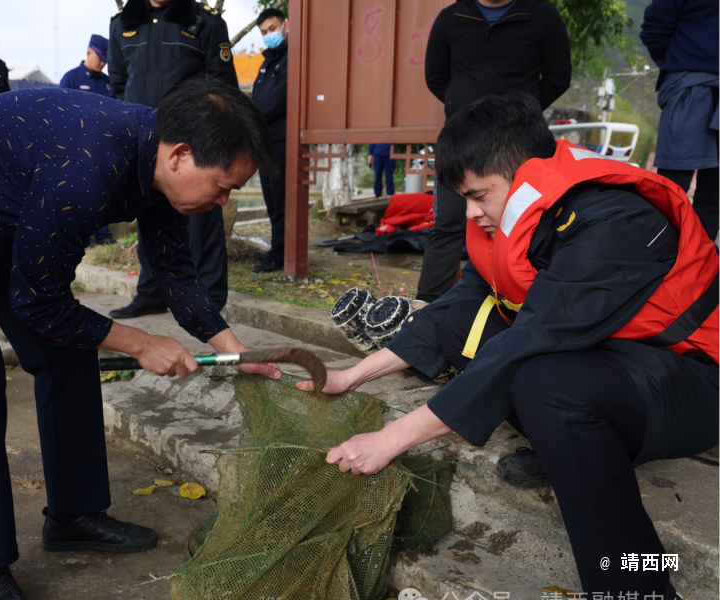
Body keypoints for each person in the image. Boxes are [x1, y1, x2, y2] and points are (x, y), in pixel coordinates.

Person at [0, 79, 280, 600]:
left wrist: (232, 348)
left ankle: (73, 515)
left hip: (4, 226)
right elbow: (38, 302)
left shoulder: (156, 169)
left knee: (68, 360)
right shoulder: (88, 168)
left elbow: (175, 272)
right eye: (222, 186)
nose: (222, 201)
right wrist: (137, 342)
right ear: (180, 155)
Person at [297, 94, 718, 599]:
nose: (471, 213)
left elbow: (529, 340)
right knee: (459, 322)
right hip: (621, 367)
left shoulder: (613, 221)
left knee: (546, 384)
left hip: (693, 379)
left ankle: (636, 584)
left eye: (479, 195)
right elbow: (461, 303)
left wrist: (388, 440)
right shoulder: (521, 217)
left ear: (525, 174)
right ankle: (573, 448)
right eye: (464, 199)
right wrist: (351, 376)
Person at [415, 0, 571, 304]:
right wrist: (470, 116)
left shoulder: (542, 14)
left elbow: (557, 77)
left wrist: (515, 114)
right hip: (462, 140)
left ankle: (526, 300)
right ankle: (427, 303)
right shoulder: (451, 17)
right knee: (449, 222)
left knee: (529, 220)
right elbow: (436, 77)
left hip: (518, 144)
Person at [107, 0, 239, 318]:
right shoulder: (122, 22)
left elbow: (223, 84)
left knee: (202, 213)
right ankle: (151, 293)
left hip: (194, 137)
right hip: (145, 136)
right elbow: (119, 83)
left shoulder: (204, 21)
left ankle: (209, 295)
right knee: (148, 213)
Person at [640, 0, 719, 242]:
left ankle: (700, 264)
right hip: (690, 84)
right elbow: (655, 29)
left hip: (688, 78)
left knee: (714, 191)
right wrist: (678, 62)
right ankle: (660, 257)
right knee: (672, 187)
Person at [59, 34, 115, 245]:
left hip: (101, 146)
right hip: (77, 144)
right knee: (79, 191)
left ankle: (103, 234)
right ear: (88, 52)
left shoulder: (107, 82)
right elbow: (61, 113)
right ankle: (83, 235)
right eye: (99, 58)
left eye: (105, 61)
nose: (102, 63)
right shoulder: (71, 78)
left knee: (102, 190)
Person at [250, 8, 288, 274]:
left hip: (282, 138)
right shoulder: (267, 61)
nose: (268, 35)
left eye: (272, 29)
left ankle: (282, 254)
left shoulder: (291, 58)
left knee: (282, 199)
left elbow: (279, 98)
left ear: (286, 25)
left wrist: (255, 116)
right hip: (266, 140)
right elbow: (257, 96)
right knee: (271, 200)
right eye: (264, 32)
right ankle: (277, 249)